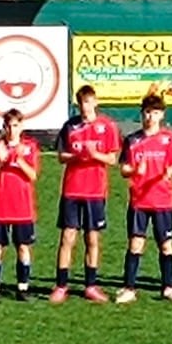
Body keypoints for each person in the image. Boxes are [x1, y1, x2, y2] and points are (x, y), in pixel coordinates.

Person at [52, 85, 120, 304]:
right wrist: (77, 155)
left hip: (95, 190)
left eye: (89, 101)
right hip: (72, 189)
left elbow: (112, 159)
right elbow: (61, 156)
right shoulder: (69, 126)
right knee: (67, 238)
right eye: (81, 102)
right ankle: (61, 285)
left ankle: (91, 285)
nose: (85, 106)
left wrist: (94, 154)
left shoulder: (107, 126)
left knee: (92, 238)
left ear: (96, 102)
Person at [117, 95, 172, 304]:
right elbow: (124, 169)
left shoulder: (168, 139)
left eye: (155, 113)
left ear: (162, 115)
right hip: (139, 201)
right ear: (142, 114)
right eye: (147, 112)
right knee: (136, 244)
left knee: (166, 245)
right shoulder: (133, 140)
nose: (151, 117)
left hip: (163, 200)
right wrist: (136, 169)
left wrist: (168, 172)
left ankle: (168, 287)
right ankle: (129, 288)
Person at [0, 109, 41, 302]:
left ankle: (22, 288)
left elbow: (33, 176)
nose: (11, 130)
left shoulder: (30, 147)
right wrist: (1, 161)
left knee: (23, 246)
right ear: (3, 127)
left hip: (22, 205)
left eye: (15, 125)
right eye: (8, 125)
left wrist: (18, 159)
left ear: (21, 126)